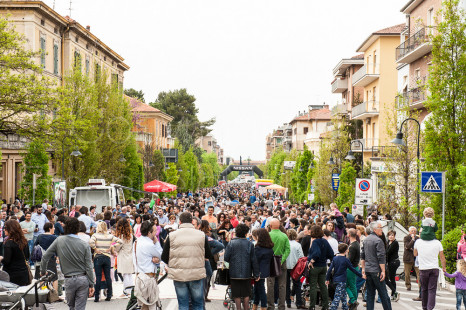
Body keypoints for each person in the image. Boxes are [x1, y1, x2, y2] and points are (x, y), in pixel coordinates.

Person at [161, 212, 213, 310]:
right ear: (191, 221)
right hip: (196, 273)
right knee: (198, 304)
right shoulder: (201, 235)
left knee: (183, 304)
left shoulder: (172, 235)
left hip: (179, 274)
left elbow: (164, 256)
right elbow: (208, 255)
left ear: (179, 221)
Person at [41, 217, 95, 310]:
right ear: (78, 228)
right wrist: (91, 283)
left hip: (68, 279)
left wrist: (43, 271)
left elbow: (45, 256)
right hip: (83, 278)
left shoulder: (59, 240)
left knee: (71, 306)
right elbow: (89, 266)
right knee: (80, 307)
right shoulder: (84, 244)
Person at [224, 223, 260, 310]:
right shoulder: (250, 244)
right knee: (246, 293)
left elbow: (226, 258)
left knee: (236, 294)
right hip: (246, 273)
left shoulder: (231, 243)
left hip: (234, 273)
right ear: (246, 233)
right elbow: (253, 260)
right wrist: (256, 274)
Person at [361, 221, 392, 310]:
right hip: (376, 270)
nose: (382, 230)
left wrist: (363, 269)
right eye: (380, 228)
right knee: (383, 294)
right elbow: (381, 257)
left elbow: (362, 255)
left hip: (368, 269)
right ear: (375, 229)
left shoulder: (366, 239)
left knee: (370, 294)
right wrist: (383, 271)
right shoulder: (379, 241)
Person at [89, 221, 123, 302]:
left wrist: (95, 248)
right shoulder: (110, 236)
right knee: (108, 277)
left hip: (98, 257)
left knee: (98, 277)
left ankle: (97, 296)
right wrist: (112, 245)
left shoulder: (95, 235)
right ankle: (109, 295)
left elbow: (90, 242)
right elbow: (120, 241)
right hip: (107, 257)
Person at [414, 229, 447, 310]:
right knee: (432, 290)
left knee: (424, 289)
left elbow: (415, 254)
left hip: (423, 268)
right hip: (434, 268)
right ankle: (430, 308)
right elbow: (442, 257)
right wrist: (444, 268)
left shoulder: (418, 242)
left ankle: (424, 307)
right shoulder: (437, 242)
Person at [133, 220, 162, 310]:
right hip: (148, 277)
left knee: (142, 305)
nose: (155, 233)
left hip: (139, 276)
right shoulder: (149, 244)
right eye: (154, 231)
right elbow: (160, 254)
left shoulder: (136, 242)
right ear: (149, 232)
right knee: (151, 305)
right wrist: (156, 242)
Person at [326, 243, 363, 310]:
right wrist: (361, 275)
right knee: (337, 297)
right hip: (342, 280)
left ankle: (345, 307)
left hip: (335, 280)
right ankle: (333, 308)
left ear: (338, 249)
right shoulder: (346, 260)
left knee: (343, 295)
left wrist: (327, 279)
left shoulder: (335, 258)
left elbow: (330, 270)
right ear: (346, 251)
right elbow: (353, 269)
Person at [307, 225, 334, 310]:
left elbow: (316, 253)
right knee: (323, 286)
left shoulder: (315, 242)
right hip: (323, 266)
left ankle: (312, 306)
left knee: (313, 287)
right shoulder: (325, 241)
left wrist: (312, 261)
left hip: (315, 267)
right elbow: (331, 253)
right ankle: (325, 306)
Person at [266, 218, 290, 310]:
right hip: (281, 262)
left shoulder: (268, 235)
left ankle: (270, 306)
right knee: (282, 285)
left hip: (271, 261)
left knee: (270, 284)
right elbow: (288, 249)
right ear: (279, 225)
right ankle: (281, 306)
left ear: (270, 226)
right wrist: (282, 259)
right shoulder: (284, 236)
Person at [0, 220, 30, 286]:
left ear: (11, 229)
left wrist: (1, 258)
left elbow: (7, 261)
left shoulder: (9, 243)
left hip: (12, 275)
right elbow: (27, 256)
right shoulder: (24, 241)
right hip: (23, 273)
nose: (4, 230)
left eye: (5, 228)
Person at [252, 228, 274, 310]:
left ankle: (263, 306)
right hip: (266, 270)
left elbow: (255, 261)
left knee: (260, 288)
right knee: (257, 288)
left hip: (258, 271)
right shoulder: (269, 248)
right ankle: (255, 304)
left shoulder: (258, 248)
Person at [34, 222, 58, 292]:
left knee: (42, 276)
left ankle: (43, 292)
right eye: (53, 227)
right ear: (50, 228)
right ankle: (55, 294)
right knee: (54, 277)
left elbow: (35, 246)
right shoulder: (54, 237)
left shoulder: (40, 236)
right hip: (51, 258)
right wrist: (57, 257)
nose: (54, 229)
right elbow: (57, 248)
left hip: (41, 258)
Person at [285, 229, 305, 309]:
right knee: (297, 285)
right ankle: (299, 302)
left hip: (286, 266)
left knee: (286, 285)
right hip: (296, 267)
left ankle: (288, 302)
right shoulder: (297, 245)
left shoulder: (285, 244)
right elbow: (301, 256)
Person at [115, 218, 135, 297]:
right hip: (130, 255)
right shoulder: (131, 235)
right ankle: (130, 290)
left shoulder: (121, 236)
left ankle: (126, 291)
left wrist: (113, 247)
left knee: (125, 275)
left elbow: (118, 247)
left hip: (123, 256)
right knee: (129, 274)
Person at [346, 228, 360, 310]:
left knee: (347, 285)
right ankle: (353, 301)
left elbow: (349, 259)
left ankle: (353, 300)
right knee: (353, 285)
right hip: (355, 267)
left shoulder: (352, 246)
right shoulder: (356, 243)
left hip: (351, 268)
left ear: (349, 235)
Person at [403, 226, 420, 291]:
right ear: (409, 232)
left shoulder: (418, 238)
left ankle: (420, 287)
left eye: (414, 231)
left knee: (418, 273)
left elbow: (418, 247)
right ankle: (408, 286)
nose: (413, 232)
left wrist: (411, 248)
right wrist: (412, 240)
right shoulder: (406, 238)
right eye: (412, 231)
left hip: (416, 258)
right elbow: (407, 246)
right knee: (407, 274)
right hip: (408, 258)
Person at [385, 230, 400, 301]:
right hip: (390, 262)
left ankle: (394, 293)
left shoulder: (395, 243)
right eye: (389, 235)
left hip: (394, 262)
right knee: (391, 278)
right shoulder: (388, 242)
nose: (390, 237)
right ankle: (393, 294)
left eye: (392, 235)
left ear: (394, 236)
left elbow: (388, 252)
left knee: (391, 279)